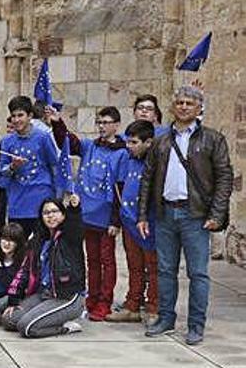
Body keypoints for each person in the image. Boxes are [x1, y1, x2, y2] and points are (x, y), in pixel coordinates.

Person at [138, 86, 233, 345]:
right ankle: (166, 319)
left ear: (199, 108)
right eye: (179, 102)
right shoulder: (161, 140)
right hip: (166, 213)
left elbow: (225, 178)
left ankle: (195, 325)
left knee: (198, 273)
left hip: (196, 215)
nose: (183, 107)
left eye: (189, 103)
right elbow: (147, 178)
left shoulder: (213, 139)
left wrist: (216, 213)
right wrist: (143, 215)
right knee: (166, 270)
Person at [50, 106, 127, 321]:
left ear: (116, 125)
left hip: (106, 216)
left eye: (106, 122)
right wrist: (58, 123)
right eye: (99, 122)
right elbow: (69, 143)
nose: (102, 126)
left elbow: (120, 188)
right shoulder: (90, 146)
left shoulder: (122, 153)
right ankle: (91, 298)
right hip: (86, 214)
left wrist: (116, 220)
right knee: (91, 260)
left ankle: (105, 301)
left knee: (106, 260)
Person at [2, 195, 85, 338]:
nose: (51, 216)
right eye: (46, 213)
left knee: (26, 327)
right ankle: (47, 319)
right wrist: (13, 301)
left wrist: (74, 209)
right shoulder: (38, 240)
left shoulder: (69, 237)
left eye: (55, 211)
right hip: (43, 294)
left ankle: (65, 328)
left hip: (66, 297)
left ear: (63, 215)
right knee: (9, 320)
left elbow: (76, 226)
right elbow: (25, 271)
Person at [106, 120, 157, 324]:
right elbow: (118, 189)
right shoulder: (125, 160)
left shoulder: (157, 162)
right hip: (129, 221)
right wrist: (117, 220)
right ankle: (132, 306)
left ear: (148, 143)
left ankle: (154, 308)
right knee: (134, 266)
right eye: (128, 141)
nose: (129, 146)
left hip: (150, 222)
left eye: (134, 142)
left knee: (153, 267)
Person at [0, 96, 60, 239]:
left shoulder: (43, 138)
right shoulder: (6, 142)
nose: (17, 120)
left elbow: (54, 166)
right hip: (18, 204)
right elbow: (1, 177)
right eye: (13, 116)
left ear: (30, 116)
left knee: (43, 246)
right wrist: (12, 167)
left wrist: (58, 197)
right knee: (19, 248)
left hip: (41, 200)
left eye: (21, 115)